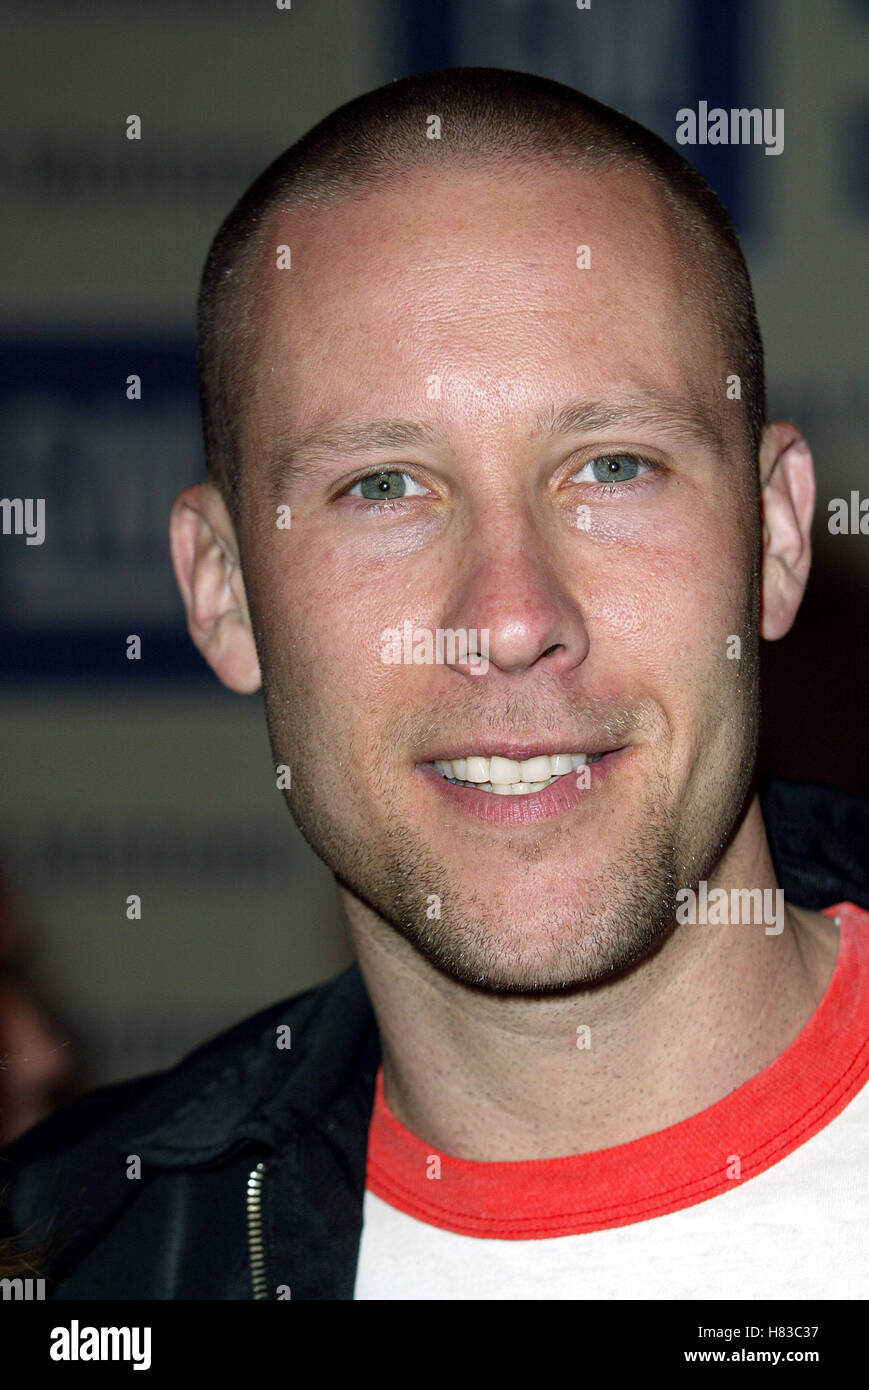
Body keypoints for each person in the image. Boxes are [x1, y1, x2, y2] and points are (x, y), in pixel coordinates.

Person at [1, 68, 866, 1301]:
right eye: (383, 488)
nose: (510, 619)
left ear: (777, 539)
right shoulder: (69, 1264)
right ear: (222, 591)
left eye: (610, 466)